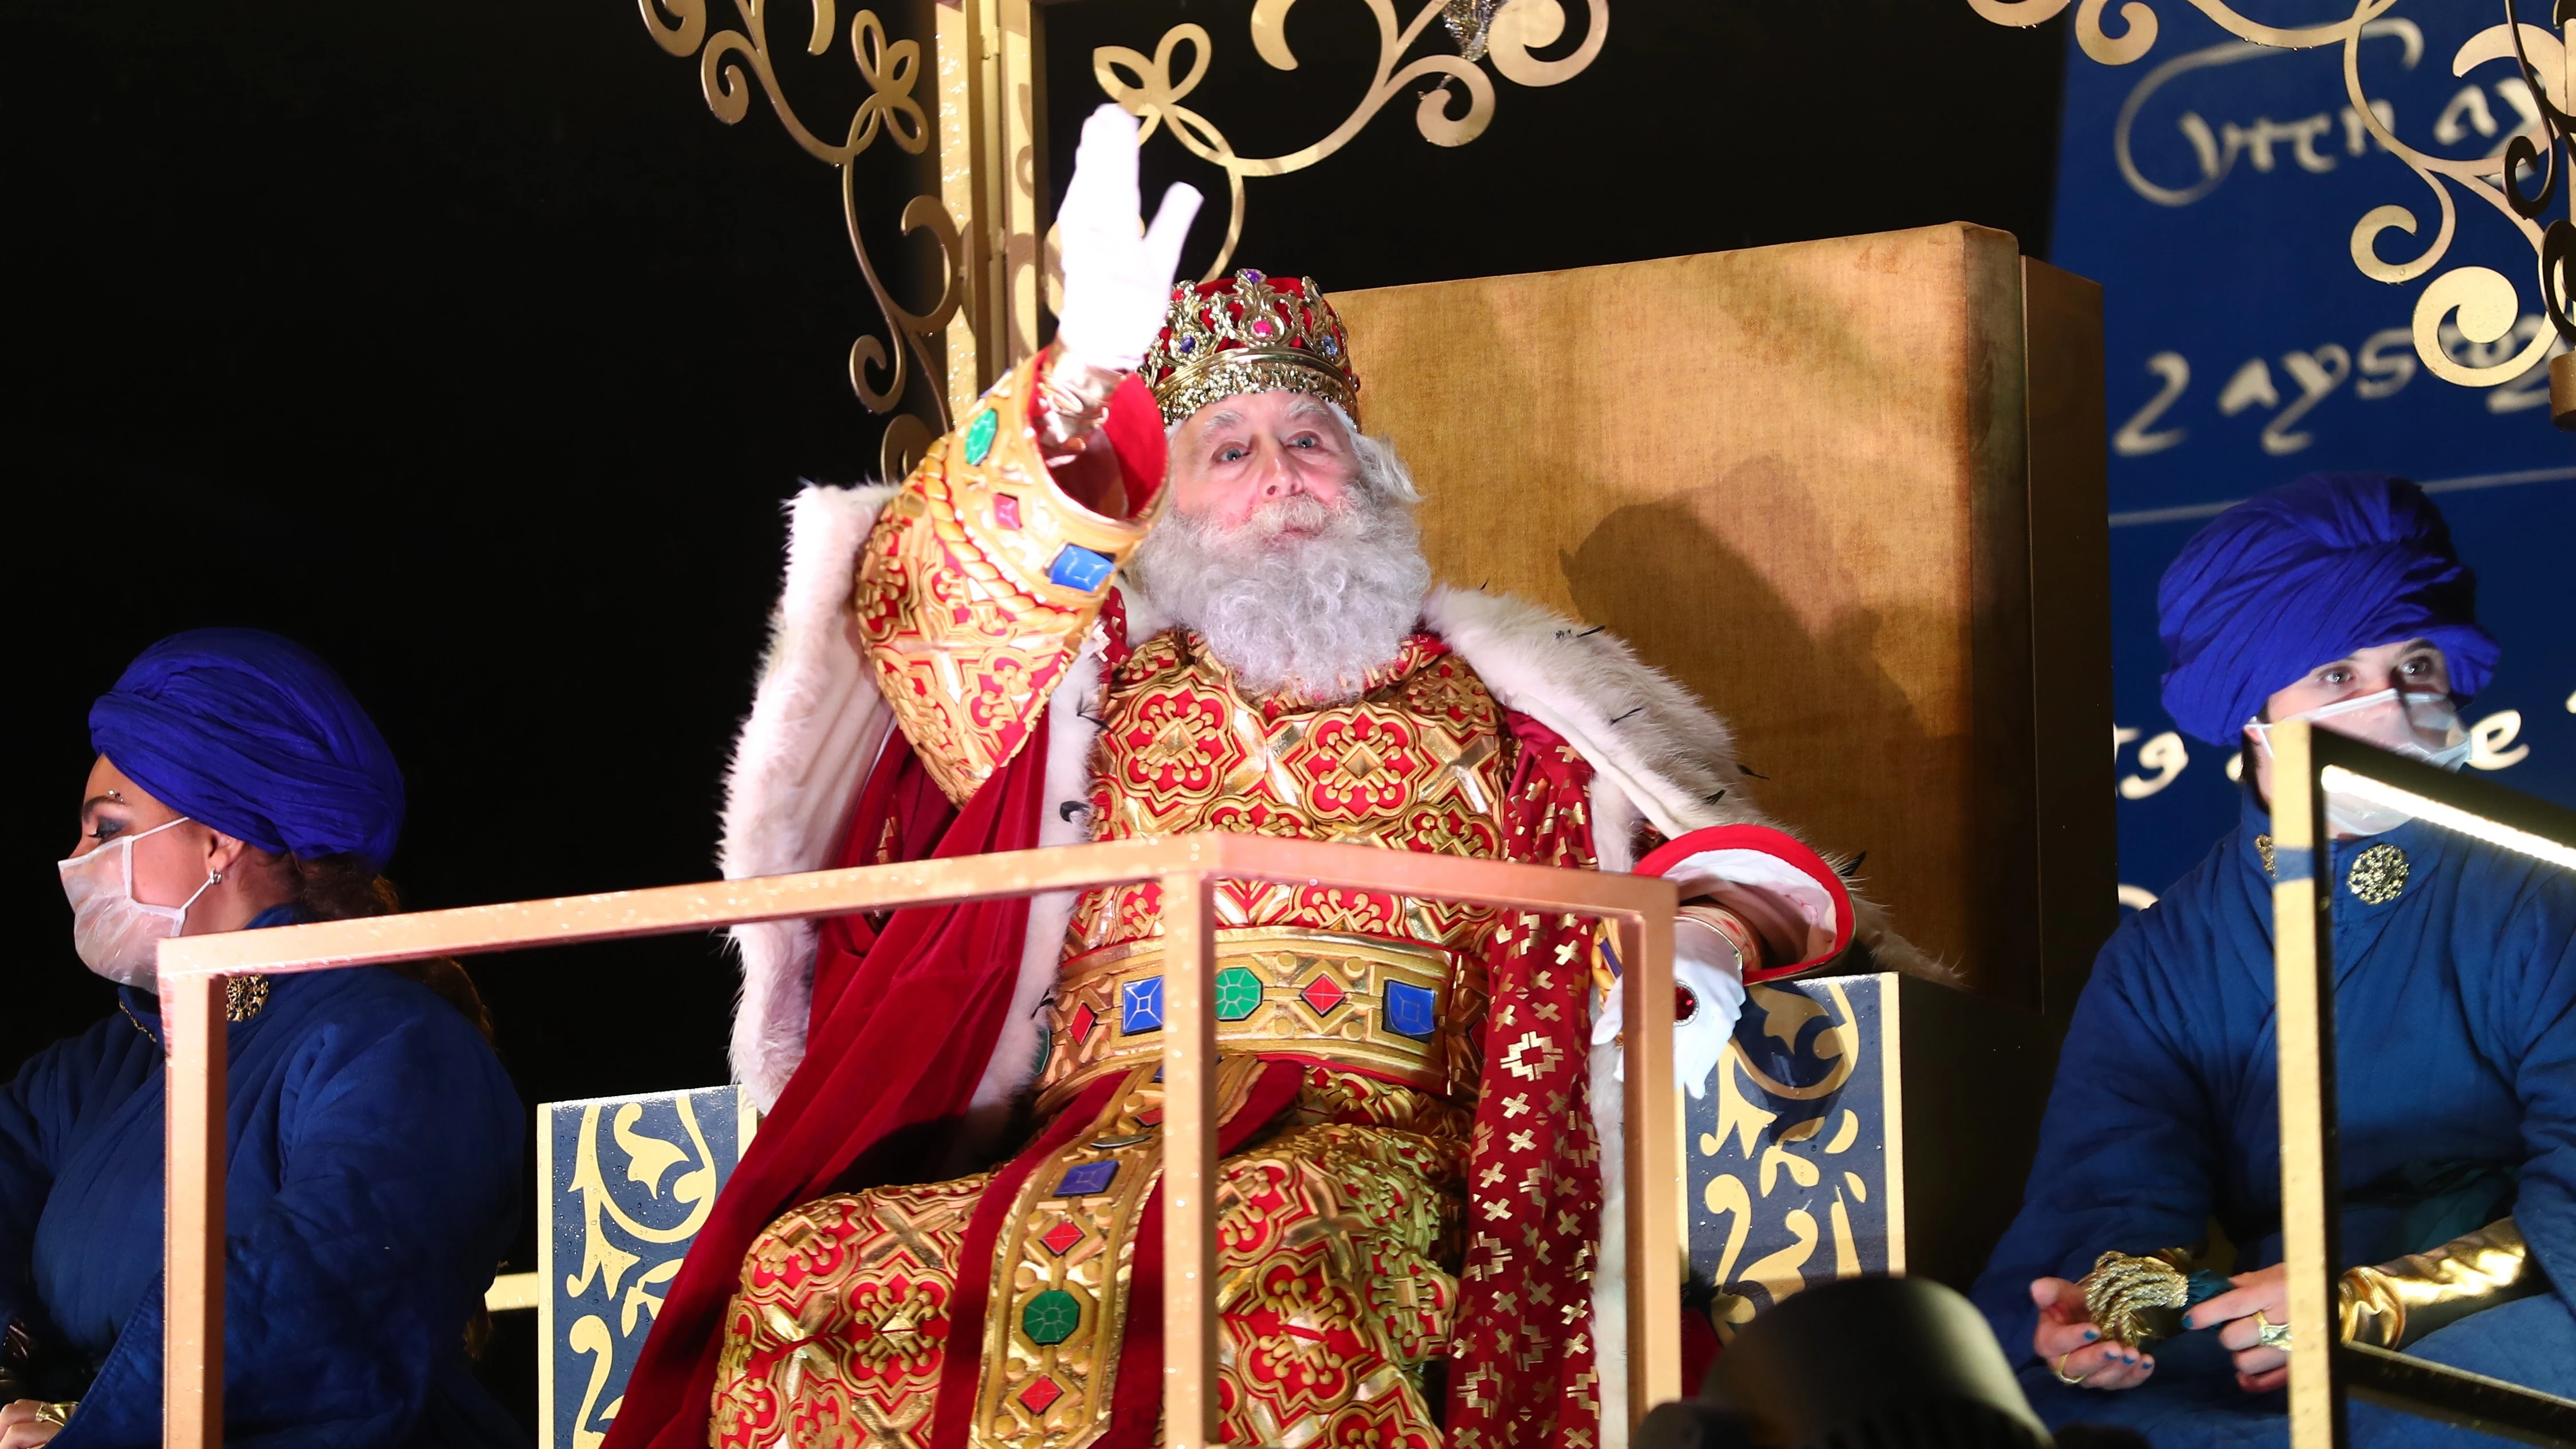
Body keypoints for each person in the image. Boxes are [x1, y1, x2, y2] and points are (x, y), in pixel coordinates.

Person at [601, 105, 1925, 1449]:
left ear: (1372, 477)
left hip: (1383, 1132)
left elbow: (1723, 846)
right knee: (806, 1274)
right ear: (1163, 502)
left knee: (1264, 1247)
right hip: (1085, 1115)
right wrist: (1079, 385)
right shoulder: (1089, 678)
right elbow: (922, 613)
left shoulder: (1519, 696)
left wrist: (1695, 928)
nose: (1279, 474)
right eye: (1226, 450)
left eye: (1310, 439)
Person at [1970, 473, 2576, 1446]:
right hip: (2261, 1333)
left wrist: (2370, 1303)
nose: (2393, 700)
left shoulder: (2546, 897)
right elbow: (2113, 1201)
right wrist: (2103, 1313)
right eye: (2338, 676)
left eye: (2416, 662)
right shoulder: (2164, 958)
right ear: (2255, 712)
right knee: (2046, 1417)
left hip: (2504, 1311)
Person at [0, 629, 527, 1449]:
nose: (74, 861)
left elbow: (326, 1290)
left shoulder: (394, 1044)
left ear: (218, 841)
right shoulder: (92, 1072)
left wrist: (90, 1433)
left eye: (105, 831)